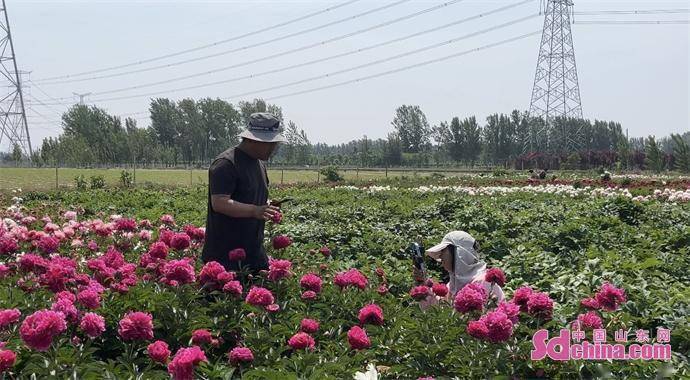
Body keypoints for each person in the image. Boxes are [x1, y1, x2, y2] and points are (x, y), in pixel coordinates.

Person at [201, 112, 287, 275]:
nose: (273, 148)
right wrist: (255, 210)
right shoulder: (226, 164)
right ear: (252, 140)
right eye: (270, 143)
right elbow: (220, 202)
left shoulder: (259, 164)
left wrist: (266, 206)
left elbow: (248, 197)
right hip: (226, 258)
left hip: (253, 253)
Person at [414, 231, 504, 308]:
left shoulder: (484, 282)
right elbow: (438, 311)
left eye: (443, 251)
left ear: (458, 253)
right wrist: (422, 285)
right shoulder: (453, 283)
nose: (440, 256)